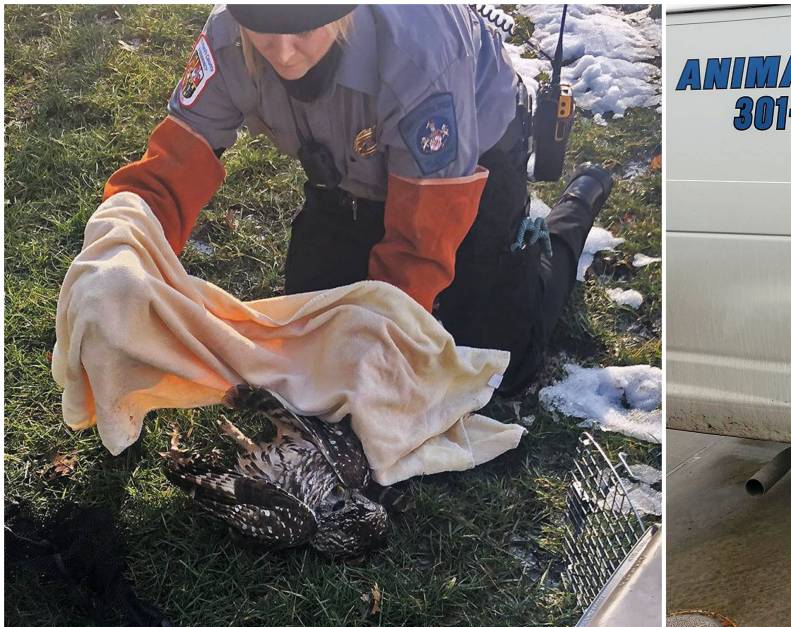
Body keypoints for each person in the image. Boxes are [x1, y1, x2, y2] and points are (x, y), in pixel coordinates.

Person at [102, 4, 611, 397]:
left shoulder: (419, 47)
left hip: (469, 158)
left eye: (302, 29)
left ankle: (568, 219)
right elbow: (173, 166)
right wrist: (121, 247)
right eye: (262, 27)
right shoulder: (228, 33)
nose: (281, 53)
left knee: (495, 360)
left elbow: (422, 238)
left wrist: (386, 340)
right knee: (312, 349)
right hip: (348, 175)